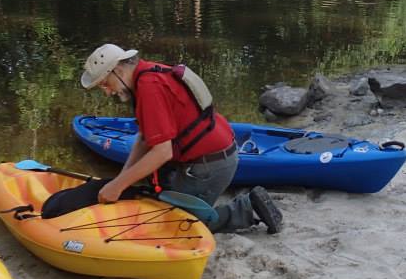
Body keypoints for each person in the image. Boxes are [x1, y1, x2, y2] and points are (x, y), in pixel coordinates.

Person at [79, 43, 283, 234]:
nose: (107, 92)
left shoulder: (150, 87)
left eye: (105, 84)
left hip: (209, 166)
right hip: (210, 155)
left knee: (175, 226)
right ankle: (182, 194)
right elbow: (143, 138)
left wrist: (118, 186)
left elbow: (162, 151)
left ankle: (247, 208)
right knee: (153, 197)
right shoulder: (147, 74)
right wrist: (121, 179)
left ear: (119, 71)